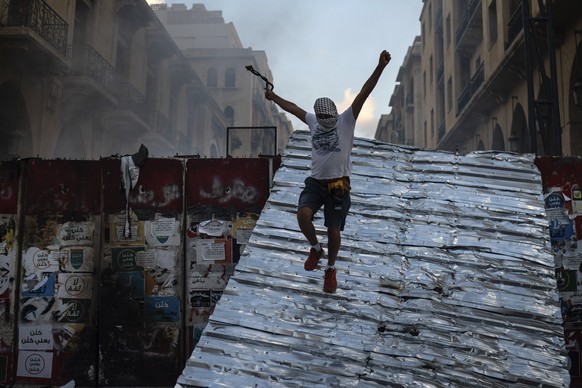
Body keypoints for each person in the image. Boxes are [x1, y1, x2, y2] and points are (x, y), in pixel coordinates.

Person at [265, 50, 391, 293]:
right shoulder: (313, 121)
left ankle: (330, 269)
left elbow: (365, 91)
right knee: (302, 215)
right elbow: (292, 108)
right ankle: (315, 249)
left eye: (328, 116)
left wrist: (380, 67)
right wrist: (273, 97)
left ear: (334, 112)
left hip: (338, 185)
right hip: (316, 183)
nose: (326, 120)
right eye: (322, 117)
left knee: (334, 231)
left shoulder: (346, 120)